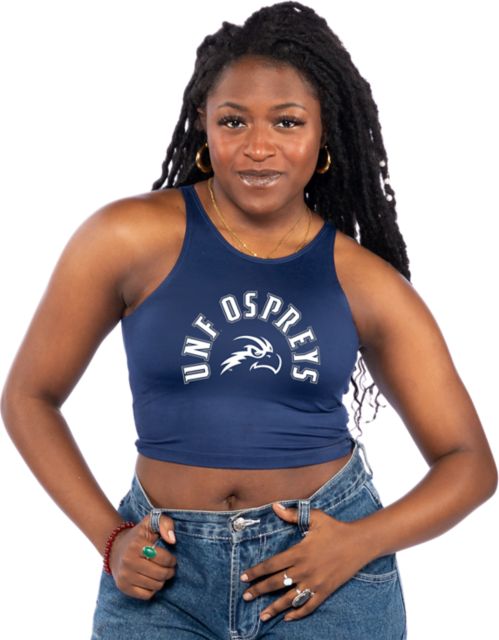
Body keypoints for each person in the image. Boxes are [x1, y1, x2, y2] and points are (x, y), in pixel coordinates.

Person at [1, 1, 497, 638]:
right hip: (162, 571)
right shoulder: (124, 238)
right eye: (233, 121)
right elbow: (28, 396)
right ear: (205, 125)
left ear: (324, 135)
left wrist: (358, 542)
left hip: (320, 572)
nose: (259, 147)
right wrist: (111, 537)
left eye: (288, 122)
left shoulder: (365, 282)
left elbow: (469, 462)